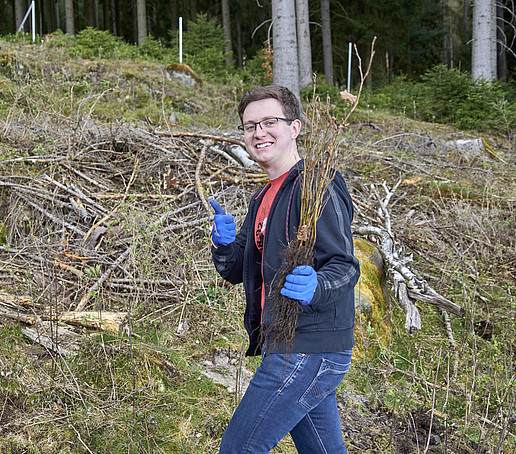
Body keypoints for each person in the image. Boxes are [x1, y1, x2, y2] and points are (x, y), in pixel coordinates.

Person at [209, 85, 360, 454]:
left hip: (308, 346)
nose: (258, 132)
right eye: (250, 126)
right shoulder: (262, 196)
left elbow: (344, 265)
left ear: (294, 128)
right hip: (286, 343)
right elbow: (236, 270)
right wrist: (224, 245)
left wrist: (317, 286)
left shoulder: (315, 185)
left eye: (269, 122)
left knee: (238, 449)